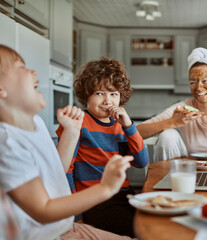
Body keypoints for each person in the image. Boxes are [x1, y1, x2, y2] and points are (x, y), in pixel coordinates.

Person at [0, 44, 134, 239]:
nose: (34, 71)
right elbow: (43, 210)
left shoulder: (35, 123)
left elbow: (57, 171)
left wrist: (71, 131)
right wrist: (105, 188)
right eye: (22, 68)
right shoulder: (8, 143)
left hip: (65, 227)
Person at [56, 57, 148, 237]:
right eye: (99, 93)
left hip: (122, 196)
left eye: (113, 94)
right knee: (137, 230)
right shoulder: (77, 123)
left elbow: (141, 161)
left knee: (151, 222)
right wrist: (77, 215)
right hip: (94, 200)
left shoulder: (122, 125)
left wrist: (129, 126)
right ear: (86, 95)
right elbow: (66, 171)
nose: (108, 101)